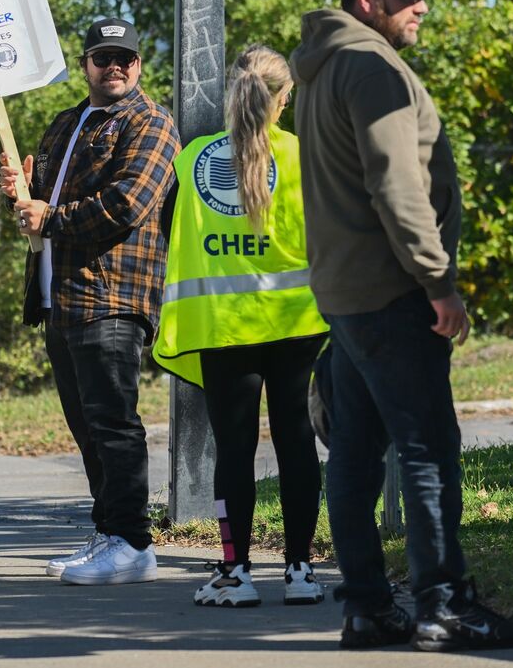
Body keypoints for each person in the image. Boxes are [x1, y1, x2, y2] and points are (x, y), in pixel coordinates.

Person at [290, 0, 513, 651]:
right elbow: (397, 188)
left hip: (344, 294)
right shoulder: (370, 67)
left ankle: (368, 605)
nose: (421, 5)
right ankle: (445, 603)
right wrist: (439, 280)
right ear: (367, 0)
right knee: (427, 447)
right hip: (393, 293)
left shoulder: (322, 66)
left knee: (357, 455)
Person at [0, 18, 180, 585]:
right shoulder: (65, 125)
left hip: (113, 295)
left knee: (115, 423)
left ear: (140, 65)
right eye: (104, 57)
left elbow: (128, 204)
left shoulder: (151, 123)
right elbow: (37, 213)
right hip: (62, 297)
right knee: (86, 426)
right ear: (86, 64)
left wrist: (49, 217)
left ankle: (132, 542)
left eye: (126, 57)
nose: (116, 67)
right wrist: (20, 197)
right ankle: (109, 533)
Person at [152, 45, 329, 607]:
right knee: (297, 440)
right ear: (284, 98)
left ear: (232, 92)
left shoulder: (193, 159)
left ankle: (235, 572)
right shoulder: (306, 156)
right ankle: (301, 573)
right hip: (296, 321)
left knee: (235, 450)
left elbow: (165, 228)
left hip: (223, 323)